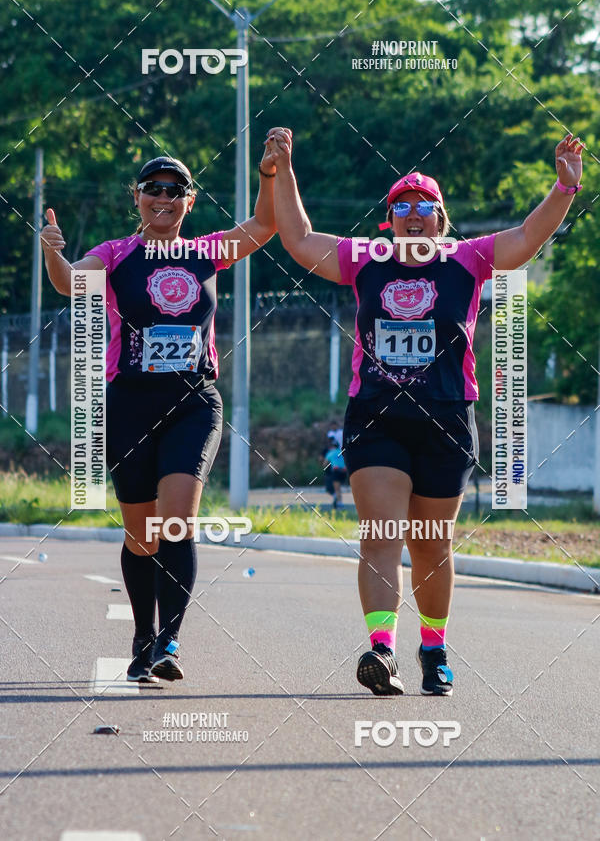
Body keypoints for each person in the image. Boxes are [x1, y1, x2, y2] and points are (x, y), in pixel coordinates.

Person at [269, 127, 584, 696]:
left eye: (426, 207)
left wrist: (562, 190)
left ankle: (434, 649)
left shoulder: (468, 259)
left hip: (445, 418)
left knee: (432, 543)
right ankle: (381, 651)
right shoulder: (365, 259)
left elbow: (525, 238)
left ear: (441, 219)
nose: (414, 215)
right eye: (402, 208)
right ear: (388, 220)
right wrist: (283, 169)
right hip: (376, 416)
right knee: (382, 531)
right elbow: (298, 239)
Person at [41, 140, 280, 682]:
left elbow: (264, 226)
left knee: (177, 521)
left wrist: (269, 172)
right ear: (139, 197)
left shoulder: (207, 251)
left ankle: (169, 641)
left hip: (193, 401)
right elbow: (69, 283)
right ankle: (143, 636)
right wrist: (51, 250)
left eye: (176, 191)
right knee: (140, 535)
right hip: (130, 403)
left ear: (189, 202)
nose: (164, 198)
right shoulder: (114, 253)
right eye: (154, 189)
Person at [323, 437, 347, 509]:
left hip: (336, 471)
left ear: (331, 446)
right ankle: (339, 501)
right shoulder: (342, 452)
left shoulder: (330, 453)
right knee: (339, 488)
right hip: (344, 471)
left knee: (337, 489)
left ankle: (339, 502)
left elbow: (325, 464)